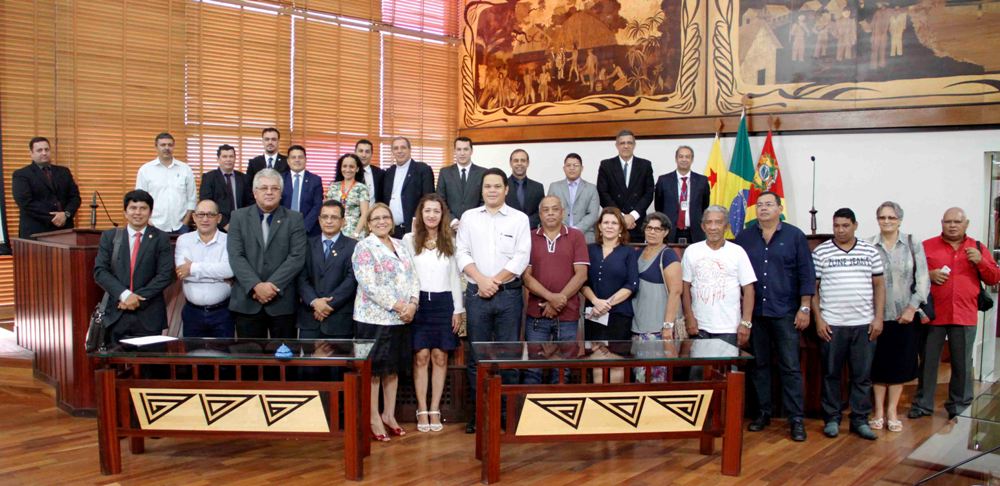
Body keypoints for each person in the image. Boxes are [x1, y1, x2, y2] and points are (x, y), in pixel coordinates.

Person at [456, 167, 531, 433]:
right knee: (477, 358)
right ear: (482, 189)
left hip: (509, 295)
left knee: (507, 357)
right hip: (477, 295)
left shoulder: (519, 219)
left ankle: (505, 414)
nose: (492, 190)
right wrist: (482, 280)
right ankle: (480, 414)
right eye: (487, 186)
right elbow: (461, 252)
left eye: (497, 186)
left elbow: (521, 257)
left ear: (506, 189)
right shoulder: (469, 217)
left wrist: (494, 281)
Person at [734, 192, 814, 441]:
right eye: (759, 205)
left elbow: (806, 274)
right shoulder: (744, 237)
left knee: (790, 367)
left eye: (769, 204)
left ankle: (796, 419)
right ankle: (763, 413)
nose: (763, 208)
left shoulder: (795, 236)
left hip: (785, 313)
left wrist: (805, 307)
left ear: (780, 209)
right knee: (759, 366)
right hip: (756, 314)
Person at [910, 207, 1000, 420]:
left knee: (963, 363)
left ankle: (960, 405)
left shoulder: (977, 247)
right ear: (941, 223)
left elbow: (994, 278)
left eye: (957, 222)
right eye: (948, 221)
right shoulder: (927, 247)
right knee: (929, 361)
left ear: (966, 224)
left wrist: (980, 260)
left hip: (965, 313)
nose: (952, 225)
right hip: (933, 314)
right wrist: (928, 275)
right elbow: (912, 275)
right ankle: (923, 405)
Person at [812, 208, 885, 440]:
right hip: (832, 324)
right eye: (836, 226)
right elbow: (812, 289)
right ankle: (832, 418)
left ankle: (860, 420)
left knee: (862, 376)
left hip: (863, 324)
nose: (840, 230)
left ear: (855, 225)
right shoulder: (821, 252)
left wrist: (878, 317)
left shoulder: (869, 251)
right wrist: (819, 318)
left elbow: (879, 286)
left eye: (845, 225)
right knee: (831, 374)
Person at [352, 203, 420, 442]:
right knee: (375, 372)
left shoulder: (401, 245)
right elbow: (369, 285)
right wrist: (400, 306)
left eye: (386, 217)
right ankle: (373, 418)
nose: (382, 221)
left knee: (393, 370)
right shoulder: (364, 247)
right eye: (376, 218)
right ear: (369, 224)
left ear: (391, 220)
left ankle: (389, 415)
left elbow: (413, 277)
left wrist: (412, 304)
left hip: (401, 320)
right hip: (374, 319)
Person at [402, 194, 464, 432]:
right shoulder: (409, 239)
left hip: (444, 302)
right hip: (418, 302)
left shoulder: (450, 240)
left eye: (436, 211)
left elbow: (455, 277)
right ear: (420, 214)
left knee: (440, 356)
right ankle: (422, 408)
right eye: (427, 210)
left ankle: (435, 408)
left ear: (442, 215)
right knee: (421, 357)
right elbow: (405, 274)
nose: (431, 215)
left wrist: (458, 309)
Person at [866, 201, 929, 433]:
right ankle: (878, 412)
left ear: (900, 220)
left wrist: (912, 308)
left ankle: (892, 411)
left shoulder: (913, 244)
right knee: (878, 365)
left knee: (899, 365)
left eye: (891, 218)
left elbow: (923, 280)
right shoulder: (868, 245)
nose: (887, 221)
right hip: (877, 316)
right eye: (882, 217)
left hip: (905, 316)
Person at [227, 168, 307, 339]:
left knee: (284, 360)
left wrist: (271, 287)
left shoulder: (295, 218)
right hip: (247, 301)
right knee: (250, 361)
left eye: (275, 188)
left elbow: (297, 257)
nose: (269, 192)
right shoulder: (238, 217)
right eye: (264, 188)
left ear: (281, 192)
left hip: (282, 303)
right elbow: (236, 255)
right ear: (255, 192)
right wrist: (256, 286)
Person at [93, 190, 175, 343]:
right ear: (125, 212)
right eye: (133, 208)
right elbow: (100, 271)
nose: (138, 212)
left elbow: (166, 274)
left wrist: (136, 298)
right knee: (116, 364)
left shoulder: (161, 238)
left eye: (143, 208)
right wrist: (125, 295)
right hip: (117, 312)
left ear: (150, 212)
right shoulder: (110, 237)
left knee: (149, 365)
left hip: (149, 314)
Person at [522, 196, 589, 385]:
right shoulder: (529, 236)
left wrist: (559, 301)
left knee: (563, 371)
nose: (550, 213)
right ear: (540, 214)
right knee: (533, 369)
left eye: (555, 209)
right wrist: (552, 298)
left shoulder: (576, 236)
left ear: (563, 212)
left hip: (567, 316)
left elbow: (581, 275)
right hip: (537, 315)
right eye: (546, 209)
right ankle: (532, 415)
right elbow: (526, 277)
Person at [681, 205, 756, 348]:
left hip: (729, 328)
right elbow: (685, 286)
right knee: (698, 370)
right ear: (703, 227)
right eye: (709, 222)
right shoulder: (692, 251)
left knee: (725, 370)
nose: (713, 227)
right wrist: (689, 317)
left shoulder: (737, 252)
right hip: (699, 326)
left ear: (726, 226)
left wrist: (746, 322)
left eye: (718, 222)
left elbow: (749, 289)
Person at [630, 212, 682, 383]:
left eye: (657, 229)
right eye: (649, 228)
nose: (652, 232)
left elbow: (675, 291)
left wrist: (667, 326)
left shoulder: (667, 255)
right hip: (638, 327)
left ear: (665, 232)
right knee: (639, 377)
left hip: (658, 330)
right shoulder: (637, 254)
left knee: (656, 379)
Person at [297, 199, 358, 339]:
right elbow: (301, 277)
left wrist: (328, 305)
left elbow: (351, 280)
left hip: (340, 321)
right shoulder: (307, 244)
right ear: (319, 220)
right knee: (307, 361)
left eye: (334, 217)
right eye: (325, 217)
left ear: (343, 221)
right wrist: (315, 302)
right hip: (310, 318)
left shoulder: (354, 246)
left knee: (339, 362)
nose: (329, 221)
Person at [174, 200, 235, 338]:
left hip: (223, 312)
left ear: (219, 218)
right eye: (201, 214)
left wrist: (193, 267)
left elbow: (229, 270)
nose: (205, 219)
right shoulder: (183, 240)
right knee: (193, 357)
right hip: (192, 312)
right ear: (194, 217)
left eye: (210, 215)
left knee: (223, 357)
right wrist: (219, 275)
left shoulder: (229, 240)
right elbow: (182, 272)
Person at [582, 207, 639, 343]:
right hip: (593, 313)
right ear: (600, 227)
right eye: (606, 222)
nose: (609, 226)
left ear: (621, 229)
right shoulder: (589, 250)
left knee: (616, 360)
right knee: (594, 356)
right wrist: (596, 302)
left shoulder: (628, 252)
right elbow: (582, 282)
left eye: (614, 223)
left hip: (619, 315)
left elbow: (632, 284)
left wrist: (606, 304)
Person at [12, 136, 81, 239]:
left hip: (64, 231)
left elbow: (75, 197)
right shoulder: (21, 174)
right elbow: (25, 202)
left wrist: (65, 214)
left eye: (46, 149)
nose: (44, 153)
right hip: (36, 232)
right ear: (31, 153)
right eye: (39, 150)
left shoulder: (64, 172)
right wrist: (54, 217)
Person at [597, 130, 654, 242]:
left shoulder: (645, 165)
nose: (626, 146)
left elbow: (649, 193)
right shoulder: (606, 165)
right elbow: (603, 193)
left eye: (629, 143)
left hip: (637, 223)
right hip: (613, 224)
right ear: (617, 145)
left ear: (634, 145)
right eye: (622, 143)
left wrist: (633, 216)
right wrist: (621, 217)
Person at [135, 132, 196, 234]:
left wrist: (185, 222)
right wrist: (148, 222)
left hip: (181, 226)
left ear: (173, 146)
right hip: (154, 225)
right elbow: (140, 200)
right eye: (163, 145)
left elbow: (192, 198)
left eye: (170, 145)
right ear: (156, 146)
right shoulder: (145, 170)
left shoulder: (185, 169)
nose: (166, 148)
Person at [380, 136, 435, 238]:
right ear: (392, 151)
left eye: (403, 147)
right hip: (390, 230)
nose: (399, 151)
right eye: (396, 148)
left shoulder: (422, 169)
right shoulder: (388, 173)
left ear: (410, 150)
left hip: (413, 229)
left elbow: (428, 199)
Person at [654, 145, 710, 244]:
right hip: (670, 232)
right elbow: (659, 207)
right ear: (676, 159)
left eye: (687, 157)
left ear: (692, 159)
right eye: (681, 156)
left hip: (695, 232)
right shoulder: (663, 180)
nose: (684, 159)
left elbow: (704, 206)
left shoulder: (702, 180)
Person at [548, 153, 601, 243]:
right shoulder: (554, 187)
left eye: (575, 165)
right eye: (568, 165)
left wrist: (577, 229)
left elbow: (593, 214)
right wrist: (563, 229)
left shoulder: (591, 188)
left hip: (585, 235)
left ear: (582, 168)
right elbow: (550, 211)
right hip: (559, 234)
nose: (572, 168)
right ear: (564, 168)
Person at [199, 144, 251, 231]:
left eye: (231, 156)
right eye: (224, 156)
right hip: (217, 226)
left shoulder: (244, 178)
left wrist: (244, 221)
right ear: (218, 159)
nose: (228, 159)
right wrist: (224, 224)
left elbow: (249, 203)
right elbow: (206, 204)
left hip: (242, 225)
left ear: (235, 159)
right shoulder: (209, 177)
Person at [436, 136, 485, 226]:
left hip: (475, 225)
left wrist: (472, 220)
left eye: (466, 149)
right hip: (449, 226)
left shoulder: (483, 173)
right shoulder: (445, 172)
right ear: (454, 151)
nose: (462, 153)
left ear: (471, 151)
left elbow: (484, 200)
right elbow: (440, 200)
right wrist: (453, 220)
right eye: (459, 149)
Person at [281, 145, 323, 237]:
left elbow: (317, 206)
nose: (297, 160)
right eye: (293, 157)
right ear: (288, 161)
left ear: (305, 160)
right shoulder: (280, 179)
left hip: (308, 231)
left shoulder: (315, 180)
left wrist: (304, 227)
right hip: (283, 228)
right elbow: (276, 203)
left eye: (300, 157)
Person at [327, 153, 370, 238]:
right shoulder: (333, 186)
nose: (347, 169)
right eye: (344, 166)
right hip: (335, 231)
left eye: (351, 166)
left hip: (355, 232)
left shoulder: (362, 188)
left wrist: (356, 234)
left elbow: (365, 214)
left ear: (357, 169)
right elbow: (328, 211)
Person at [504, 149, 545, 229]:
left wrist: (526, 222)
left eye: (523, 160)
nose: (519, 163)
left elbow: (541, 211)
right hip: (508, 231)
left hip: (531, 232)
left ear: (528, 163)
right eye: (516, 161)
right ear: (511, 163)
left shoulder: (538, 187)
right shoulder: (502, 186)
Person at [354, 139, 383, 207]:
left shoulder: (380, 174)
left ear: (371, 154)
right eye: (361, 151)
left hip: (373, 215)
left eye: (367, 152)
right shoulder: (348, 172)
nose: (364, 155)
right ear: (355, 152)